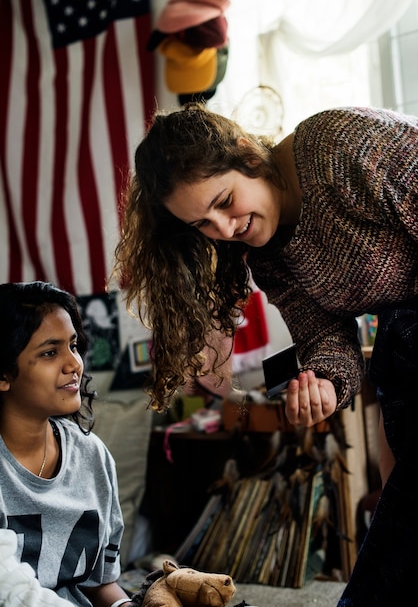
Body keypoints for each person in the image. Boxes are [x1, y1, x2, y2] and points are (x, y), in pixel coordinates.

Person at [112, 102, 418, 605]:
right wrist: (323, 381)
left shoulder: (340, 146)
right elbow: (326, 337)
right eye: (203, 225)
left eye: (224, 200)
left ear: (249, 155)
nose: (224, 229)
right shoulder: (269, 256)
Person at [0, 281, 133, 607]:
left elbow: (99, 584)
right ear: (3, 374)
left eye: (73, 346)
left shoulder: (93, 456)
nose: (74, 364)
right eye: (49, 352)